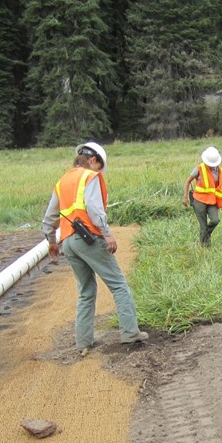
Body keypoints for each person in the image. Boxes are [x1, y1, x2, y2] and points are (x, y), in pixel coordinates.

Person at [42, 141, 148, 355]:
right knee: (118, 285)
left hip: (69, 242)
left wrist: (52, 242)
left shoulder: (63, 181)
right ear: (93, 160)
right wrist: (107, 233)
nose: (100, 171)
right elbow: (93, 207)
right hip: (89, 238)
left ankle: (83, 342)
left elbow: (49, 218)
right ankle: (129, 333)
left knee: (86, 291)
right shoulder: (91, 177)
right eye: (99, 165)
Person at [182, 146, 222, 246]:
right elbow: (188, 181)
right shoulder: (199, 169)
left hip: (212, 201)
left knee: (215, 220)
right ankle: (205, 247)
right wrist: (185, 197)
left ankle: (205, 236)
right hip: (199, 200)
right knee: (203, 226)